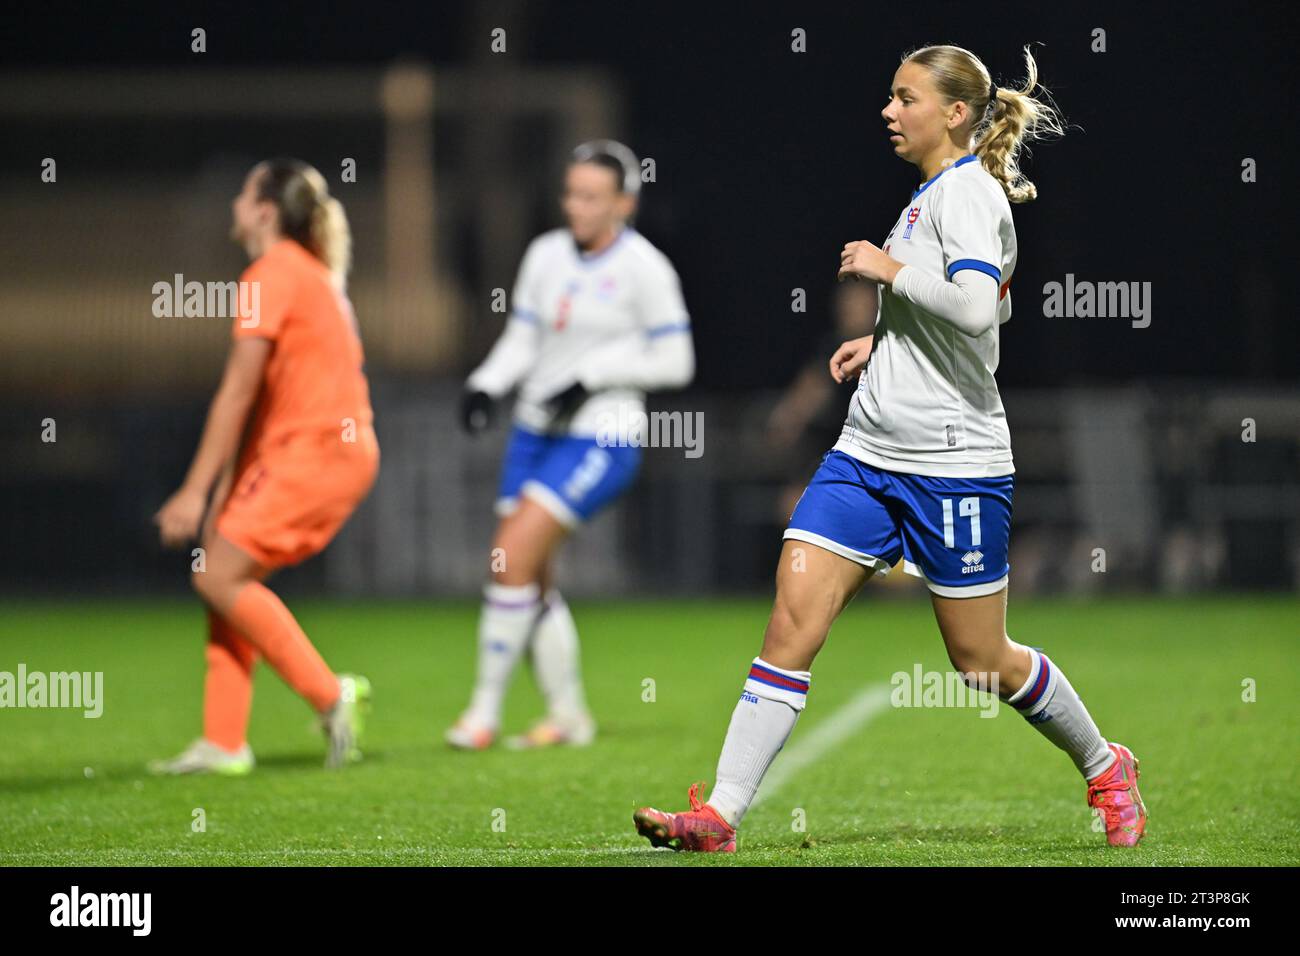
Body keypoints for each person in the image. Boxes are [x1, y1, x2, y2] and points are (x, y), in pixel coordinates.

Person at [633, 45, 1146, 851]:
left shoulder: (968, 194)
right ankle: (719, 815)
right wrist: (888, 343)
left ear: (954, 113)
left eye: (905, 97)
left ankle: (1107, 765)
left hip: (955, 466)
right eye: (889, 95)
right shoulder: (929, 196)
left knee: (980, 658)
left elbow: (976, 310)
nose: (888, 109)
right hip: (867, 455)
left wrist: (887, 272)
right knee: (790, 625)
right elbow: (983, 315)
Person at [448, 140, 695, 750]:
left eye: (591, 196)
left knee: (509, 553)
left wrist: (593, 378)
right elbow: (522, 338)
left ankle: (482, 714)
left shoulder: (646, 269)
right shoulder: (545, 255)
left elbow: (677, 361)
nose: (576, 206)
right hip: (534, 433)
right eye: (571, 193)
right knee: (528, 576)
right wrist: (486, 385)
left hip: (602, 437)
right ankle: (568, 717)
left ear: (624, 203)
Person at [151, 158, 379, 774]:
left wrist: (194, 492)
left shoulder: (271, 271)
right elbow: (266, 403)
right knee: (221, 577)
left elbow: (238, 391)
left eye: (243, 191)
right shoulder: (308, 273)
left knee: (217, 576)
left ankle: (332, 696)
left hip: (318, 449)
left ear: (264, 211)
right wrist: (224, 495)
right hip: (322, 449)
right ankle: (224, 740)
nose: (234, 202)